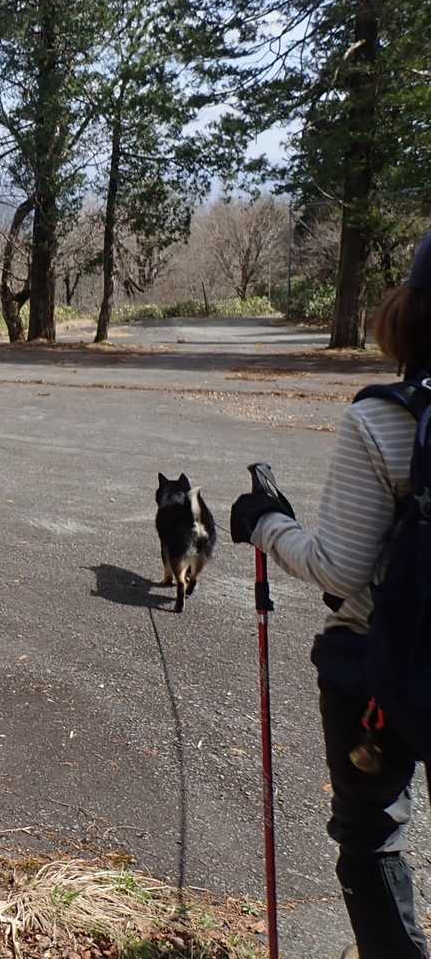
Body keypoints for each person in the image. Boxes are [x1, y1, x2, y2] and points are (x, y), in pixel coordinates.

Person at [231, 231, 431, 959]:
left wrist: (265, 523)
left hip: (384, 666)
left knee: (371, 837)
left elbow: (341, 569)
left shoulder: (384, 419)